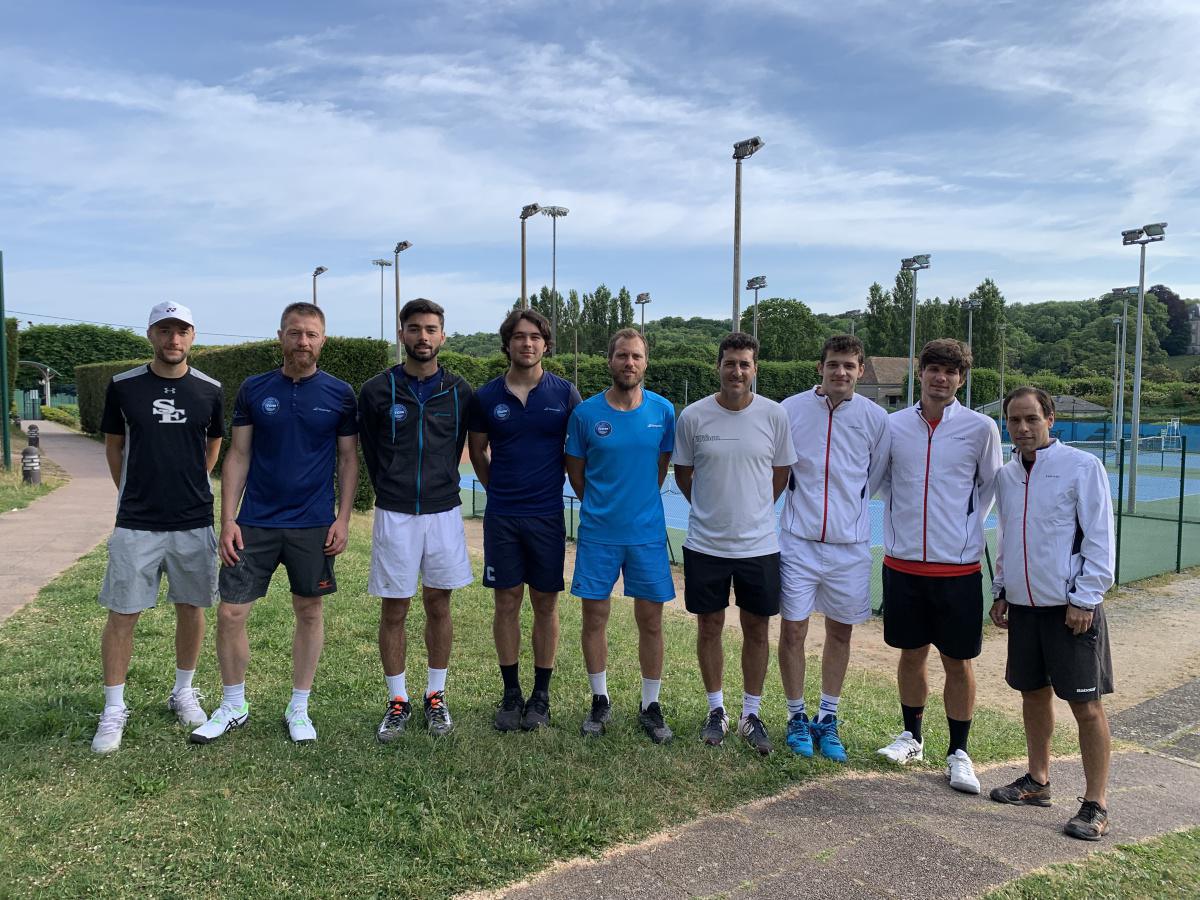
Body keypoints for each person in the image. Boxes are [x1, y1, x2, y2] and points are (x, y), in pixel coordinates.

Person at [190, 302, 358, 745]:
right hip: (256, 522)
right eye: (294, 333)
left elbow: (348, 459)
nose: (303, 341)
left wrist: (343, 518)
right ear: (280, 336)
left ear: (323, 340)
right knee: (231, 612)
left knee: (309, 610)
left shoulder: (340, 393)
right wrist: (228, 519)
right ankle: (234, 705)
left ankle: (298, 707)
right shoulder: (254, 388)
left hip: (313, 524)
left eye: (311, 334)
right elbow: (238, 454)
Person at [90, 301, 224, 754]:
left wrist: (193, 482)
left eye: (182, 330)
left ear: (193, 335)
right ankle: (114, 708)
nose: (174, 339)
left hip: (193, 521)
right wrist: (134, 490)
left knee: (192, 607)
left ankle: (183, 691)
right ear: (151, 334)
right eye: (165, 330)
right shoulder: (123, 386)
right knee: (123, 613)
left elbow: (214, 442)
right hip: (137, 522)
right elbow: (114, 447)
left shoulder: (209, 389)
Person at [988, 387, 1116, 841]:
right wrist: (1001, 589)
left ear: (1050, 419)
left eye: (1031, 419)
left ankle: (1096, 803)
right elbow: (1006, 535)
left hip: (1070, 610)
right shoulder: (1006, 476)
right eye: (1014, 420)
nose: (1022, 428)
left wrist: (1085, 598)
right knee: (1033, 694)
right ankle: (1038, 780)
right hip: (1024, 607)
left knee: (1086, 705)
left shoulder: (1082, 467)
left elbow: (1100, 537)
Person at [875, 338, 1002, 795]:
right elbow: (879, 480)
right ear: (921, 372)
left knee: (958, 661)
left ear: (961, 379)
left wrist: (962, 530)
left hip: (958, 571)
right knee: (911, 654)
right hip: (903, 565)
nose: (941, 378)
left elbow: (990, 487)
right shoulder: (892, 426)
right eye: (934, 369)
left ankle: (959, 753)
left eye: (951, 371)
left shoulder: (981, 428)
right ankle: (911, 737)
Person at [672, 332, 794, 755]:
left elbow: (780, 474)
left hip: (759, 546)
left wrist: (753, 511)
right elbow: (683, 474)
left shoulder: (775, 415)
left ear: (755, 368)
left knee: (757, 629)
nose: (737, 371)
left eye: (744, 364)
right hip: (705, 544)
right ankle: (716, 710)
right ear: (718, 367)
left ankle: (751, 713)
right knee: (709, 627)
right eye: (730, 363)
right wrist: (712, 510)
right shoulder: (693, 416)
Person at [359, 298, 474, 740]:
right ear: (401, 334)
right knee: (395, 607)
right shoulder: (376, 390)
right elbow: (370, 450)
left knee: (439, 604)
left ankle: (435, 696)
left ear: (442, 335)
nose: (422, 337)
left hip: (444, 511)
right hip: (395, 513)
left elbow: (461, 444)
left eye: (430, 329)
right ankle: (397, 700)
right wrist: (393, 486)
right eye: (414, 328)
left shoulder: (460, 391)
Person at [777, 334, 890, 762]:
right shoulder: (790, 410)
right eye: (833, 364)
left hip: (850, 547)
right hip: (798, 543)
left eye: (849, 365)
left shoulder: (876, 418)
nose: (840, 372)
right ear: (820, 368)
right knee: (793, 629)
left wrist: (847, 513)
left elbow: (874, 476)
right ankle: (795, 716)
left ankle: (827, 718)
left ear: (860, 370)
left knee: (841, 631)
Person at [468, 309, 581, 731]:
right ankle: (511, 693)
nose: (527, 343)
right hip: (503, 517)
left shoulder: (565, 393)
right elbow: (477, 452)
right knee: (506, 601)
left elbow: (579, 449)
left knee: (545, 603)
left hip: (547, 516)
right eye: (519, 336)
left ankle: (541, 695)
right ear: (508, 343)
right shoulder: (486, 396)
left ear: (545, 344)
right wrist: (498, 489)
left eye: (535, 336)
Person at [566, 328, 676, 743]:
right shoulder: (585, 415)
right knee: (594, 618)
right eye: (622, 356)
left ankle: (650, 705)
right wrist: (605, 507)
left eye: (636, 356)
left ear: (646, 362)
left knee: (651, 621)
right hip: (599, 534)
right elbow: (577, 475)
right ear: (609, 360)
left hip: (646, 534)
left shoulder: (663, 411)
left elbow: (660, 467)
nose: (629, 363)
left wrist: (635, 505)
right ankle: (600, 699)